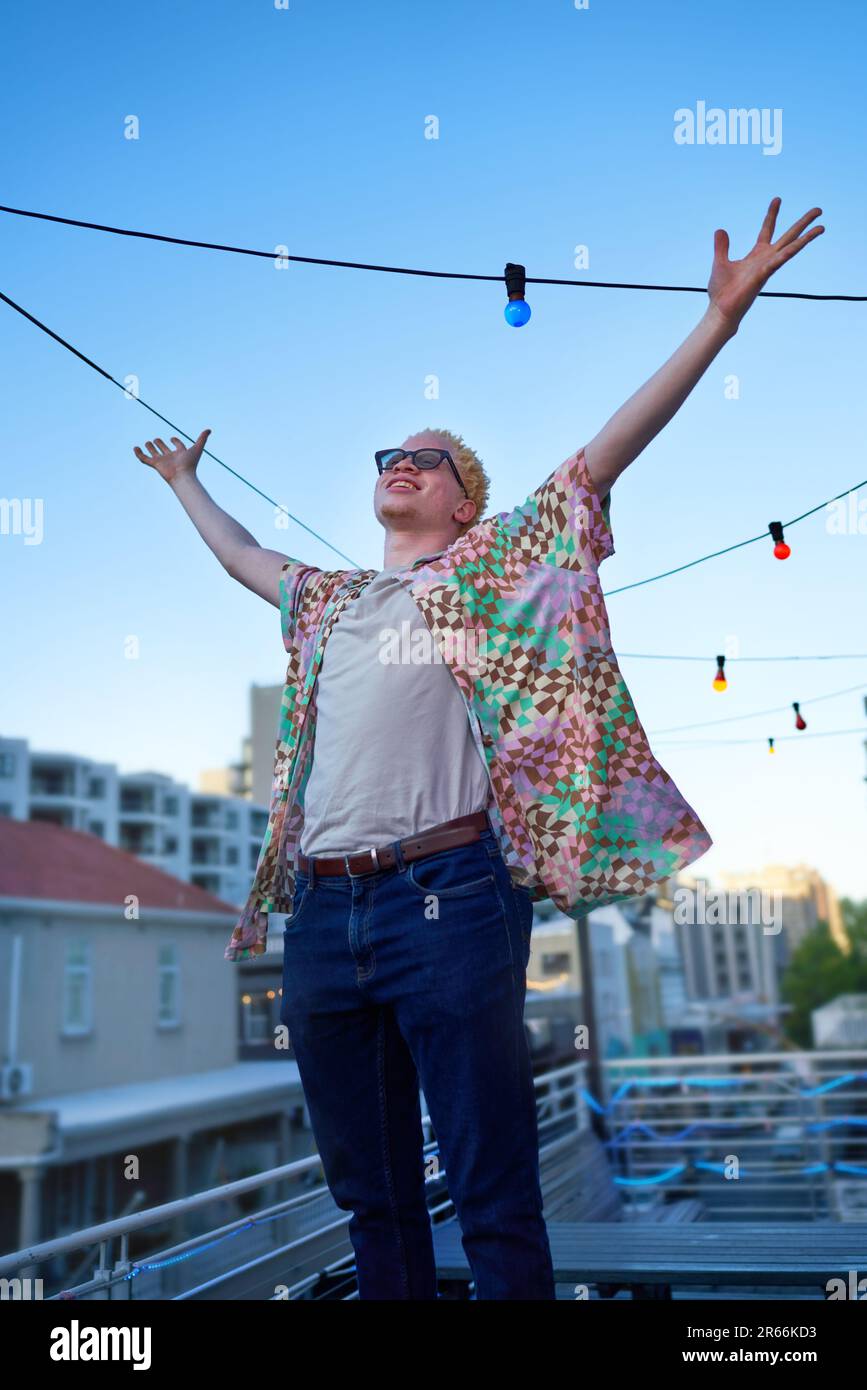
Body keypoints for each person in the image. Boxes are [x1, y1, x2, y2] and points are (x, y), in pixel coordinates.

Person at [134, 199, 823, 1300]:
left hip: (447, 894)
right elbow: (242, 557)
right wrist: (183, 485)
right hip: (321, 912)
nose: (404, 461)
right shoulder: (328, 600)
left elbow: (601, 458)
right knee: (373, 1198)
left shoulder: (493, 567)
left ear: (465, 505)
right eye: (393, 453)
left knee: (494, 1192)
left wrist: (718, 323)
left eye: (431, 456)